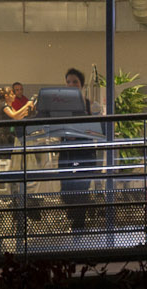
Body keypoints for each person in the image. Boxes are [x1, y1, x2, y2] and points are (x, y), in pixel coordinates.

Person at [54, 67, 101, 230]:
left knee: (82, 188)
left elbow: (97, 128)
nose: (71, 85)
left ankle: (79, 224)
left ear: (81, 85)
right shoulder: (61, 106)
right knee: (66, 189)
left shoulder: (89, 105)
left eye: (75, 82)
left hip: (84, 152)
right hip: (67, 153)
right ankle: (74, 216)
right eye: (68, 82)